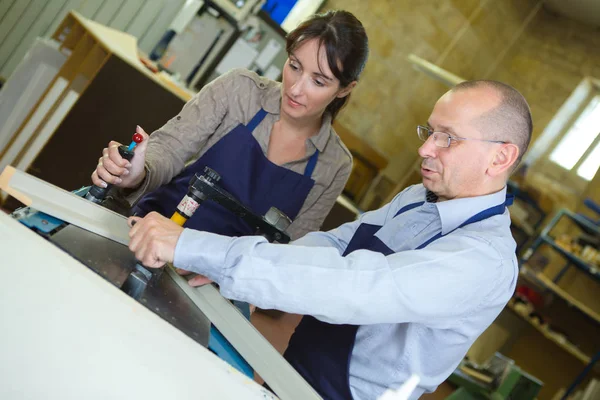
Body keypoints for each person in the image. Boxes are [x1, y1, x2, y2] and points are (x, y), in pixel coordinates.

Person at [127, 80, 533, 399]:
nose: (425, 148)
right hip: (291, 372)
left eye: (448, 137)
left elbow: (351, 285)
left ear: (501, 158)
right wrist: (223, 268)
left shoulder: (482, 261)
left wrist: (196, 246)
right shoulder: (418, 199)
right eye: (429, 131)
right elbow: (336, 245)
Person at [92, 10, 369, 242]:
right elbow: (170, 149)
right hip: (150, 231)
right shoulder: (240, 90)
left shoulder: (335, 164)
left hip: (213, 283)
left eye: (318, 82)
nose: (296, 89)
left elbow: (290, 248)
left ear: (345, 89)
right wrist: (136, 173)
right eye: (294, 66)